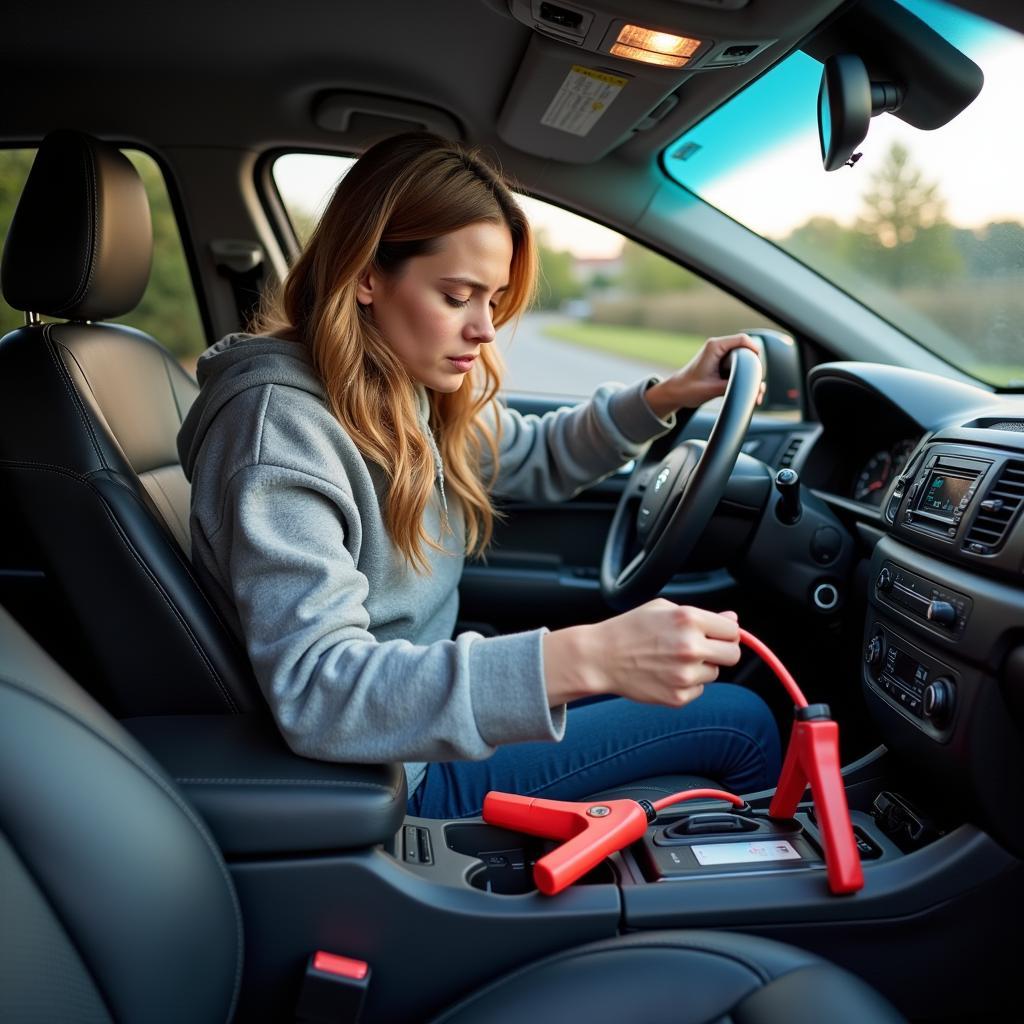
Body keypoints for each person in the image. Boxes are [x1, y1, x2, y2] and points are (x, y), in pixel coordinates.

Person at [177, 132, 781, 820]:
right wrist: (583, 657)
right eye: (457, 295)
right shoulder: (279, 428)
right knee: (739, 722)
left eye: (491, 300)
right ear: (367, 275)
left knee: (710, 690)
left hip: (420, 722)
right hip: (402, 771)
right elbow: (322, 690)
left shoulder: (397, 387)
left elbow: (539, 453)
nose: (484, 329)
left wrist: (666, 397)